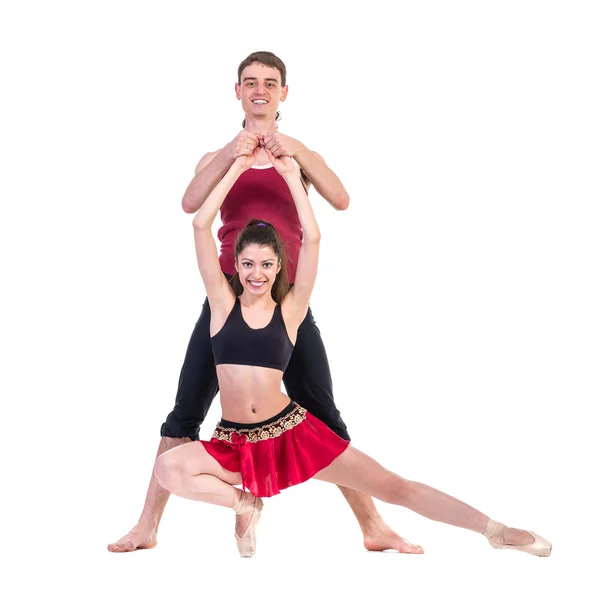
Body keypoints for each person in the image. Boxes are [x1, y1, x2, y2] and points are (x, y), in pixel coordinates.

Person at [153, 145, 552, 559]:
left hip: (291, 435)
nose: (257, 274)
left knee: (395, 487)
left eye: (267, 265)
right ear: (235, 264)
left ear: (279, 267)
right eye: (249, 264)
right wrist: (236, 165)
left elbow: (314, 238)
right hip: (236, 444)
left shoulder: (291, 310)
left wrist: (293, 177)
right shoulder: (221, 306)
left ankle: (497, 531)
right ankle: (245, 503)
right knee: (170, 468)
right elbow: (201, 225)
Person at [108, 51, 421, 554]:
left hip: (288, 307)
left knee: (325, 416)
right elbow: (191, 205)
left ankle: (373, 526)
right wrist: (232, 156)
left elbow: (341, 199)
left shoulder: (297, 157)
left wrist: (295, 153)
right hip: (228, 307)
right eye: (250, 82)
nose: (260, 89)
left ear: (283, 93)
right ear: (237, 91)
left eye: (270, 83)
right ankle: (147, 526)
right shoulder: (219, 156)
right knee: (184, 413)